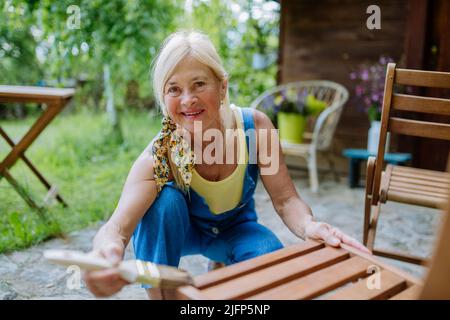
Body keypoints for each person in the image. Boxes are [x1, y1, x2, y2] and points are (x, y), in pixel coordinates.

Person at [84, 30, 370, 299]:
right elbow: (118, 228)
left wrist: (309, 226)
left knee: (271, 262)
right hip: (183, 232)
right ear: (163, 97)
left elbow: (285, 200)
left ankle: (221, 264)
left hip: (235, 229)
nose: (188, 99)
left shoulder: (255, 129)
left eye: (199, 84)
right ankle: (161, 295)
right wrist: (106, 253)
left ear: (222, 87)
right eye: (174, 89)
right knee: (164, 203)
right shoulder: (160, 154)